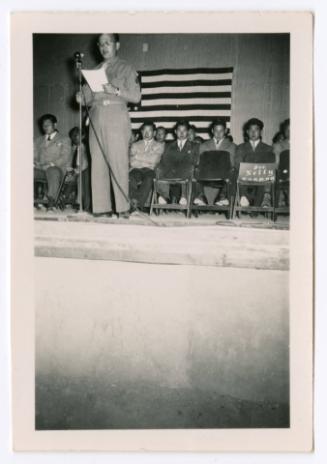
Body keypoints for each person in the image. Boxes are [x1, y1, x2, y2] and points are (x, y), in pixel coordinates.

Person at [76, 33, 141, 219]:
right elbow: (88, 99)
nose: (104, 47)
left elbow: (136, 96)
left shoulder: (126, 67)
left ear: (117, 45)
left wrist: (117, 90)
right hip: (96, 118)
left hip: (115, 116)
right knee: (98, 163)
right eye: (101, 44)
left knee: (118, 162)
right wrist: (81, 98)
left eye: (108, 43)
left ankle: (122, 209)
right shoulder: (94, 71)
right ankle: (101, 208)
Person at [193, 119, 236, 206]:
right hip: (207, 175)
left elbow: (232, 163)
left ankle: (222, 196)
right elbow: (199, 162)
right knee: (195, 170)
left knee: (234, 170)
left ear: (226, 131)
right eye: (216, 130)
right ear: (212, 131)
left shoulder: (232, 146)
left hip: (224, 176)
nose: (218, 133)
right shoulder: (203, 146)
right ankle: (201, 196)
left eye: (221, 131)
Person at [34, 113, 72, 210]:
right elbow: (33, 156)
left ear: (55, 125)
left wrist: (51, 164)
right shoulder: (38, 140)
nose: (45, 127)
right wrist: (34, 163)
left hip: (57, 169)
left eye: (48, 124)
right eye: (43, 125)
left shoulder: (64, 139)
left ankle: (51, 202)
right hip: (40, 169)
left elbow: (65, 157)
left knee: (53, 171)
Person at [156, 121, 198, 206]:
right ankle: (164, 196)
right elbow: (165, 161)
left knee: (190, 167)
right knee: (159, 168)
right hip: (172, 172)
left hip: (186, 173)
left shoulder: (195, 146)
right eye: (179, 130)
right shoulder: (168, 146)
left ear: (188, 132)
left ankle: (184, 196)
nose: (182, 133)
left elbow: (195, 161)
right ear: (175, 132)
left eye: (184, 130)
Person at [235, 118, 274, 208]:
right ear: (247, 132)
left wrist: (256, 171)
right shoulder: (240, 147)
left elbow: (269, 167)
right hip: (245, 177)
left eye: (256, 129)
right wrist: (249, 170)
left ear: (261, 132)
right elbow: (237, 164)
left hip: (261, 177)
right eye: (251, 130)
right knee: (237, 174)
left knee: (266, 177)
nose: (253, 133)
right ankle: (243, 197)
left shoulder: (268, 148)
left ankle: (265, 199)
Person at [129, 122, 164, 210]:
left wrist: (137, 156)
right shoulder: (135, 145)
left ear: (154, 133)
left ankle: (137, 204)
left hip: (150, 170)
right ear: (141, 132)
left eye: (150, 131)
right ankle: (134, 202)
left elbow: (154, 160)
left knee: (149, 179)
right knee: (130, 177)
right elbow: (132, 162)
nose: (147, 133)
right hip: (136, 169)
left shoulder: (159, 145)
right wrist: (148, 158)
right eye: (144, 131)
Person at [69, 127, 91, 212]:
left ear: (83, 136)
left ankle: (82, 204)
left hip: (84, 169)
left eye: (76, 136)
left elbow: (85, 163)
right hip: (76, 170)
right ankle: (70, 199)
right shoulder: (74, 148)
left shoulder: (85, 147)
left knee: (81, 180)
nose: (74, 138)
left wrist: (77, 171)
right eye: (72, 136)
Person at [273, 118, 290, 207]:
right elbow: (276, 164)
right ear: (284, 131)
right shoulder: (278, 145)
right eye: (288, 130)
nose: (290, 132)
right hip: (284, 173)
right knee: (287, 154)